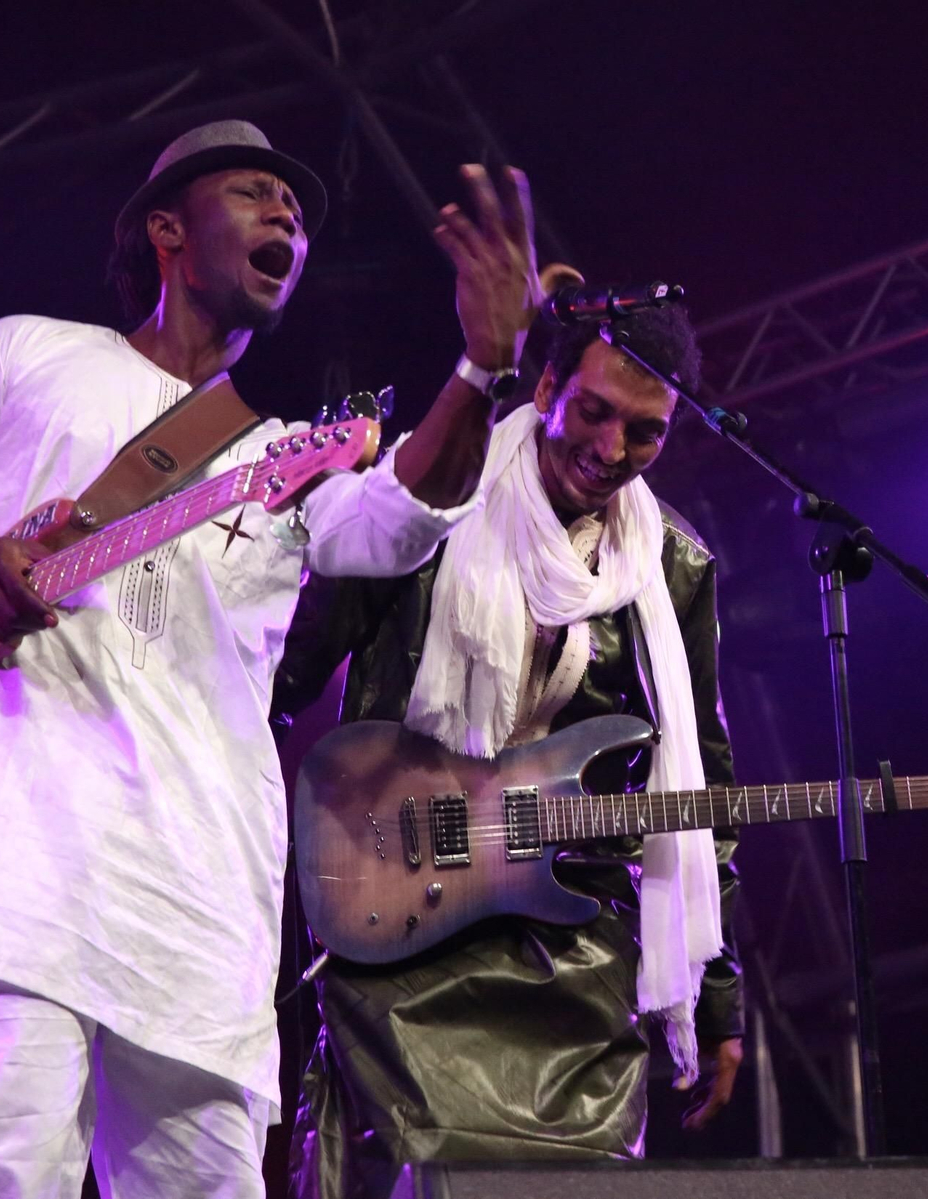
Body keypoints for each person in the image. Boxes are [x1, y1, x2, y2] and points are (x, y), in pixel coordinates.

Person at [0, 120, 555, 1197]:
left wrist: (481, 366)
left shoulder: (281, 457)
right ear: (167, 227)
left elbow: (402, 518)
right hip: (18, 866)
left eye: (299, 213)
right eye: (258, 193)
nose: (288, 219)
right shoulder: (27, 352)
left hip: (200, 905)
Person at [273, 302, 745, 1198]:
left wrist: (716, 990)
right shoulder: (428, 498)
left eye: (645, 433)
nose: (611, 449)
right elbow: (281, 674)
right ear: (545, 387)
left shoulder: (671, 564)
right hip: (401, 914)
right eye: (595, 411)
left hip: (577, 955)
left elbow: (702, 785)